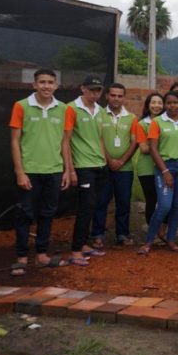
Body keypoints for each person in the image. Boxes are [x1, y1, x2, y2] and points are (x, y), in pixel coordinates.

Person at [9, 69, 71, 275]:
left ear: (56, 85)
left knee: (48, 213)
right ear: (34, 84)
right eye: (42, 82)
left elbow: (65, 142)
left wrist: (66, 170)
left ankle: (42, 255)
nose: (46, 86)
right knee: (25, 214)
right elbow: (15, 141)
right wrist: (20, 172)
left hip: (53, 171)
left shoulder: (63, 109)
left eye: (50, 82)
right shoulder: (21, 106)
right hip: (30, 171)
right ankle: (21, 258)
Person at [138, 91, 178, 256]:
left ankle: (171, 239)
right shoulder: (158, 122)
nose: (172, 106)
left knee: (177, 206)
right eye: (168, 103)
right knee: (164, 206)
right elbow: (153, 148)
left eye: (175, 102)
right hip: (165, 166)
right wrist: (165, 171)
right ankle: (149, 241)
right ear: (164, 105)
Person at [65, 76, 109, 267]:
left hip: (99, 165)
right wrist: (71, 169)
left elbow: (99, 138)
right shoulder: (71, 108)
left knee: (93, 206)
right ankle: (75, 250)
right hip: (83, 166)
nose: (95, 93)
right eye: (91, 90)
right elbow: (65, 140)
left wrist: (104, 161)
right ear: (82, 88)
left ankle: (83, 245)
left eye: (98, 90)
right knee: (86, 206)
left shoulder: (100, 110)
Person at [92, 83, 139, 248]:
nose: (116, 98)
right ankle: (97, 234)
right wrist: (110, 160)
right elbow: (98, 139)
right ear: (107, 96)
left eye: (120, 96)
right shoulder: (98, 114)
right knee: (101, 201)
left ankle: (122, 234)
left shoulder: (132, 118)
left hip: (125, 169)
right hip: (103, 166)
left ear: (124, 97)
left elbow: (135, 142)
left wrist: (122, 161)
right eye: (113, 95)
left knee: (124, 202)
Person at [135, 93, 164, 225]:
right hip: (147, 168)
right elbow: (144, 148)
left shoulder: (167, 122)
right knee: (151, 200)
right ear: (148, 105)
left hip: (165, 168)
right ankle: (152, 233)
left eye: (159, 102)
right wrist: (164, 148)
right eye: (153, 102)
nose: (156, 105)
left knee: (165, 200)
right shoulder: (141, 124)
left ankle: (164, 232)